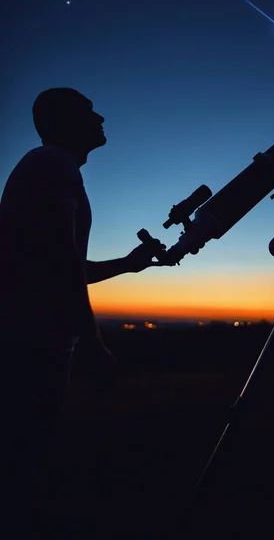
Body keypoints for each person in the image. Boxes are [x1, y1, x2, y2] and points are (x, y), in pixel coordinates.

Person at [0, 88, 167, 537]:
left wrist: (128, 265)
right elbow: (62, 263)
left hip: (33, 342)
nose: (101, 117)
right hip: (30, 346)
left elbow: (68, 262)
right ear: (64, 121)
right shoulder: (54, 164)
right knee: (21, 467)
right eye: (89, 111)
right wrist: (93, 342)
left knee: (26, 458)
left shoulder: (50, 167)